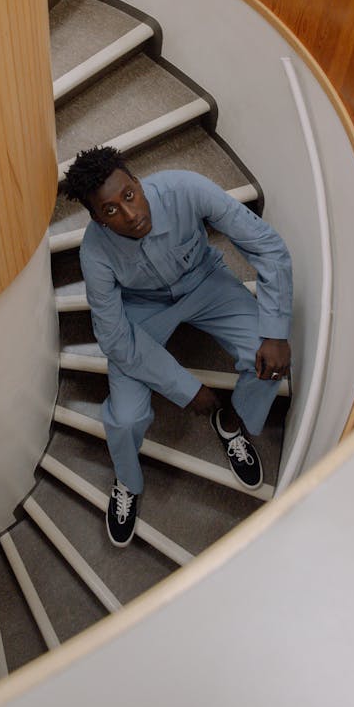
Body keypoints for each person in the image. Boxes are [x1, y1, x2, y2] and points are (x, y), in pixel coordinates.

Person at [61, 146, 293, 548]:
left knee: (267, 358)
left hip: (205, 283)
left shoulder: (186, 187)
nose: (130, 214)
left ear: (136, 180)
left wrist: (275, 330)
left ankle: (232, 422)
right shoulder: (94, 252)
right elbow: (115, 337)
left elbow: (267, 246)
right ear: (97, 218)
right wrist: (189, 391)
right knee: (126, 418)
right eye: (112, 211)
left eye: (129, 195)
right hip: (142, 310)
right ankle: (128, 483)